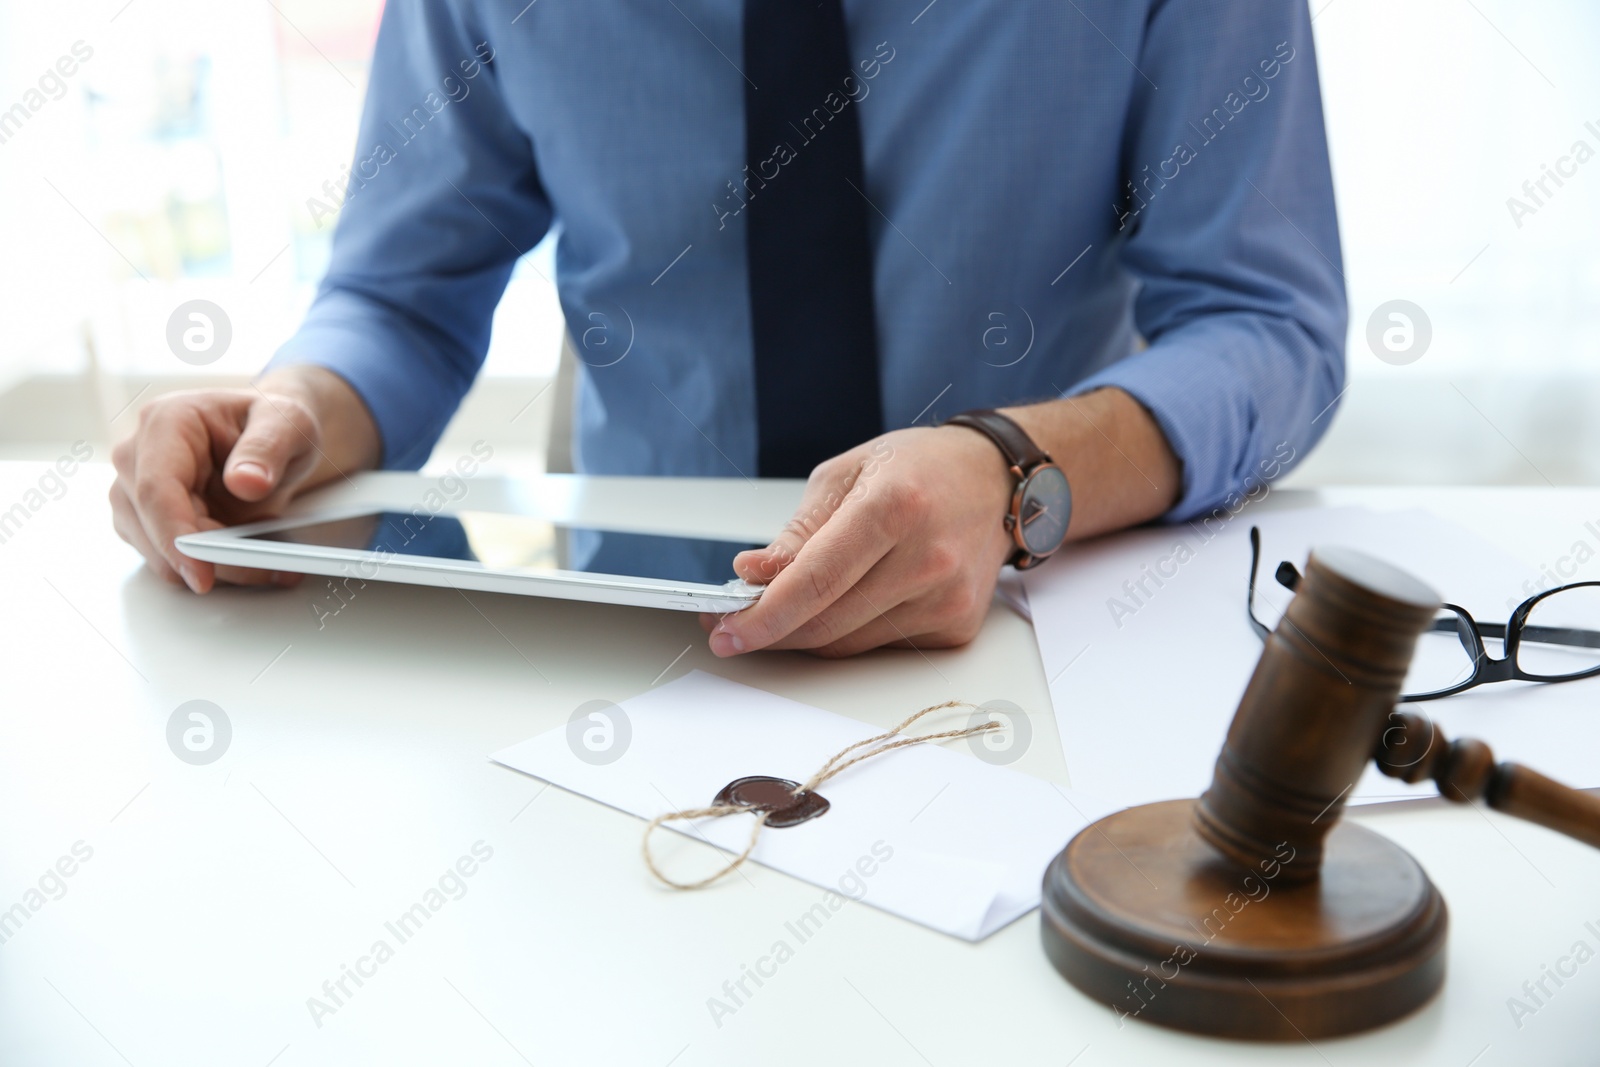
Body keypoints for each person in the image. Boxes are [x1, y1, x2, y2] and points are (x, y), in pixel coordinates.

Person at [111, 0, 1345, 659]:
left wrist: (1013, 470)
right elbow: (398, 294)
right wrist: (295, 413)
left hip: (1044, 626)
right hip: (638, 650)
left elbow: (1267, 319)